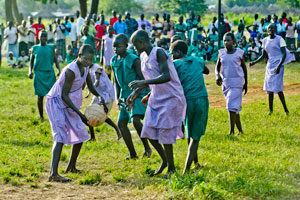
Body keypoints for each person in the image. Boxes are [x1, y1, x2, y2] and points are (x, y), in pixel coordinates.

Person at [45, 44, 107, 182]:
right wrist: (80, 114)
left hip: (69, 104)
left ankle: (71, 166)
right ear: (79, 56)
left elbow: (90, 86)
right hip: (57, 103)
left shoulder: (86, 68)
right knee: (59, 136)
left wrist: (99, 96)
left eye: (91, 60)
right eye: (85, 59)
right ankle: (53, 174)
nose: (88, 62)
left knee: (81, 134)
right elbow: (64, 95)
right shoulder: (70, 71)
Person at [129, 30, 186, 177]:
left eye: (135, 45)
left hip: (171, 96)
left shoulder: (159, 52)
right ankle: (165, 161)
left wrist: (144, 82)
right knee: (148, 131)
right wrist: (136, 94)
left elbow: (166, 76)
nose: (134, 48)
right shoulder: (142, 56)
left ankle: (172, 169)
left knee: (165, 133)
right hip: (156, 97)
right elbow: (150, 78)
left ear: (142, 42)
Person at [170, 40, 209, 174]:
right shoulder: (198, 60)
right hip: (201, 99)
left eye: (172, 54)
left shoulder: (175, 64)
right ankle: (187, 170)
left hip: (186, 101)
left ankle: (195, 163)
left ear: (178, 52)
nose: (171, 57)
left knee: (189, 132)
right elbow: (207, 71)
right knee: (195, 136)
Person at [111, 34, 152, 159]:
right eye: (114, 46)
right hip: (124, 96)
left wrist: (136, 94)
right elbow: (115, 82)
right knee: (121, 123)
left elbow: (143, 80)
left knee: (135, 121)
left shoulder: (134, 59)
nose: (115, 49)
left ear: (126, 46)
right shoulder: (114, 60)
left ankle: (147, 147)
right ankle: (133, 154)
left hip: (139, 93)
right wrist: (117, 97)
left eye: (118, 46)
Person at [249, 23, 295, 115]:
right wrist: (254, 62)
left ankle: (286, 110)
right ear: (267, 29)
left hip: (278, 64)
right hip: (270, 66)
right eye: (269, 28)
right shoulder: (265, 40)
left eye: (273, 28)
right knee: (269, 88)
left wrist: (278, 66)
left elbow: (284, 54)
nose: (271, 29)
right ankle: (270, 110)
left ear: (275, 29)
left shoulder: (280, 39)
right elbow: (263, 55)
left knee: (278, 88)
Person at [215, 32, 248, 136]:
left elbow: (244, 68)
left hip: (237, 83)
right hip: (226, 83)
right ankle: (240, 131)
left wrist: (246, 83)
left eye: (228, 40)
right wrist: (217, 75)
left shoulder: (239, 53)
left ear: (233, 42)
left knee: (230, 106)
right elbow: (217, 67)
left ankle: (231, 131)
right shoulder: (221, 53)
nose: (226, 42)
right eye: (224, 40)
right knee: (234, 109)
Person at [29, 31, 61, 120]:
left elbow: (55, 61)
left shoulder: (51, 48)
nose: (43, 38)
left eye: (45, 36)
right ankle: (41, 116)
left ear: (47, 38)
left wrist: (59, 70)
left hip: (50, 75)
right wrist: (30, 71)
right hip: (39, 75)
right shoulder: (35, 48)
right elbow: (31, 62)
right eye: (42, 36)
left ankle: (54, 115)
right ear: (38, 37)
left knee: (52, 97)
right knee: (40, 97)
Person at [87, 64, 121, 140]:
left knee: (102, 115)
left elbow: (97, 80)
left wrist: (91, 88)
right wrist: (90, 92)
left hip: (107, 94)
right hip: (98, 94)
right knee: (90, 113)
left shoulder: (97, 68)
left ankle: (117, 129)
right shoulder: (88, 69)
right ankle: (92, 137)